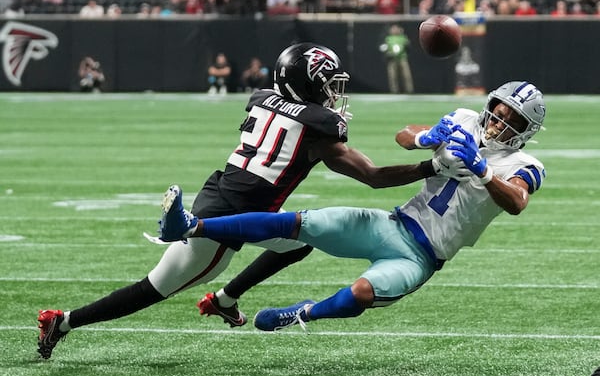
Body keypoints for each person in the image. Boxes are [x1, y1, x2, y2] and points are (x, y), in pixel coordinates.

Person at [36, 42, 440, 359]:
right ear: (310, 84)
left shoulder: (263, 98)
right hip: (228, 219)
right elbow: (371, 177)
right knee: (153, 289)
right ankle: (64, 322)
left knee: (301, 240)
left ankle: (226, 300)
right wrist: (430, 168)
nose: (334, 93)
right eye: (328, 84)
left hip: (229, 197)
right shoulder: (319, 127)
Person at [158, 80, 547, 332]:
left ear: (526, 130)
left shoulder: (525, 166)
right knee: (295, 223)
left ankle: (303, 313)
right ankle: (191, 226)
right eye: (498, 109)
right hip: (392, 224)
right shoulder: (465, 119)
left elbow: (516, 201)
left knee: (360, 293)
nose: (498, 120)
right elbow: (404, 135)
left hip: (423, 257)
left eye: (511, 119)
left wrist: (482, 172)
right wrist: (427, 136)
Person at [379, 24, 413, 94]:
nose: (394, 30)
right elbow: (384, 47)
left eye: (396, 28)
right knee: (392, 76)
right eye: (393, 29)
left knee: (406, 75)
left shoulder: (403, 37)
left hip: (402, 58)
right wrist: (387, 52)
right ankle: (394, 91)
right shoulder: (388, 38)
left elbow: (408, 46)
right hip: (392, 59)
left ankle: (409, 90)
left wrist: (406, 43)